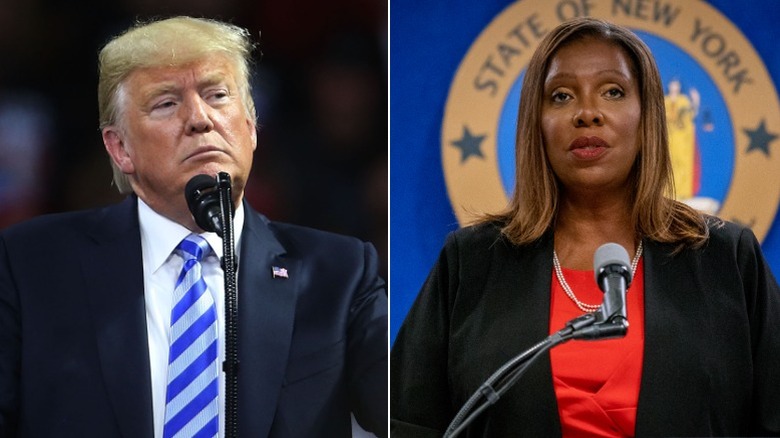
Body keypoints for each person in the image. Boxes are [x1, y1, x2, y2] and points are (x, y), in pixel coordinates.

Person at [0, 16, 388, 438]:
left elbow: (412, 412)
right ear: (120, 147)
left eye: (218, 95)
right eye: (166, 103)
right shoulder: (30, 265)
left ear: (251, 127)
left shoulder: (340, 273)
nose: (200, 119)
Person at [391, 17, 780, 437]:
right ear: (535, 125)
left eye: (613, 92)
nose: (587, 113)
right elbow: (410, 422)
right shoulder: (471, 262)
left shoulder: (724, 257)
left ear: (646, 116)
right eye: (561, 96)